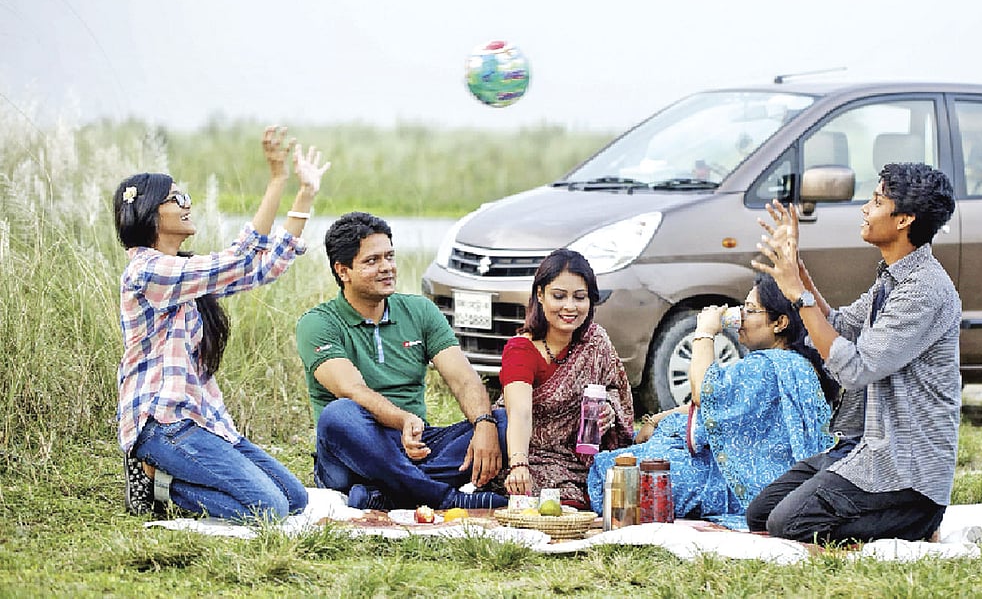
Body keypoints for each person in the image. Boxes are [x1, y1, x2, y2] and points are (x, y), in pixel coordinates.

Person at [115, 126, 330, 519]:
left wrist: (305, 193)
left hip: (203, 421)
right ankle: (158, 484)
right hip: (162, 423)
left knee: (295, 499)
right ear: (148, 212)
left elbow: (261, 269)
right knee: (269, 508)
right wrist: (277, 179)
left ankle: (165, 478)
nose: (186, 204)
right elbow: (237, 260)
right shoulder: (146, 272)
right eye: (176, 198)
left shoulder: (185, 274)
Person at [745, 162, 961, 545]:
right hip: (862, 446)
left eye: (877, 200)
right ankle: (893, 518)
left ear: (904, 220)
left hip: (905, 470)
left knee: (786, 525)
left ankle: (917, 523)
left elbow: (855, 369)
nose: (865, 208)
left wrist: (799, 295)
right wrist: (797, 269)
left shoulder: (924, 290)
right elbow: (841, 327)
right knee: (761, 514)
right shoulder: (892, 278)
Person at [295, 211, 508, 511]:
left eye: (389, 257)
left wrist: (484, 424)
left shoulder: (420, 311)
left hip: (418, 446)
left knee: (505, 420)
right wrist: (404, 419)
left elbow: (463, 379)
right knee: (338, 414)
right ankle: (443, 497)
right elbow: (352, 389)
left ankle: (386, 495)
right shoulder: (318, 323)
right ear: (343, 271)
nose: (387, 268)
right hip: (353, 453)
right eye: (372, 261)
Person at [586, 274, 834, 529]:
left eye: (750, 311)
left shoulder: (768, 366)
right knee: (648, 453)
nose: (741, 319)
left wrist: (705, 332)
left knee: (621, 473)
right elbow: (716, 405)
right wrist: (659, 419)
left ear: (780, 323)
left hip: (741, 486)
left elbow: (703, 392)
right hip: (765, 480)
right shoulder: (793, 363)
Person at [498, 249, 635, 508]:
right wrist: (518, 464)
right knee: (560, 500)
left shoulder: (595, 342)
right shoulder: (521, 350)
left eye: (580, 297)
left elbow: (619, 393)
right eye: (559, 296)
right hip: (534, 458)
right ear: (540, 295)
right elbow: (519, 413)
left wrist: (609, 411)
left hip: (589, 458)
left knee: (632, 482)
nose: (570, 307)